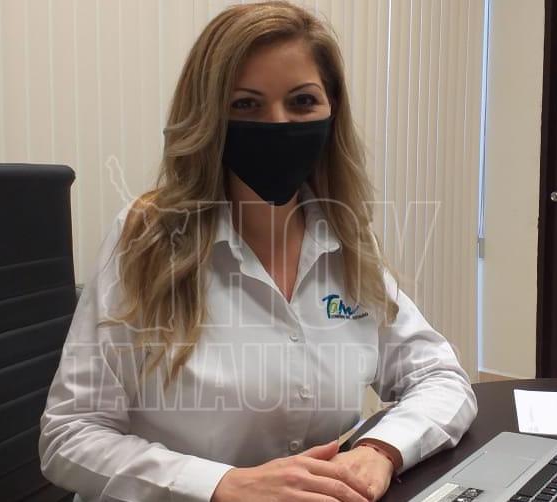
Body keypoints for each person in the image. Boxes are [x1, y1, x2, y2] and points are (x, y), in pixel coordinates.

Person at [38, 2, 477, 501]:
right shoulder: (146, 239)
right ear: (208, 116)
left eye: (302, 101)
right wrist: (222, 485)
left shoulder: (345, 240)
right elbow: (69, 435)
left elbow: (440, 376)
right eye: (246, 105)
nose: (278, 124)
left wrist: (380, 449)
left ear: (332, 110)